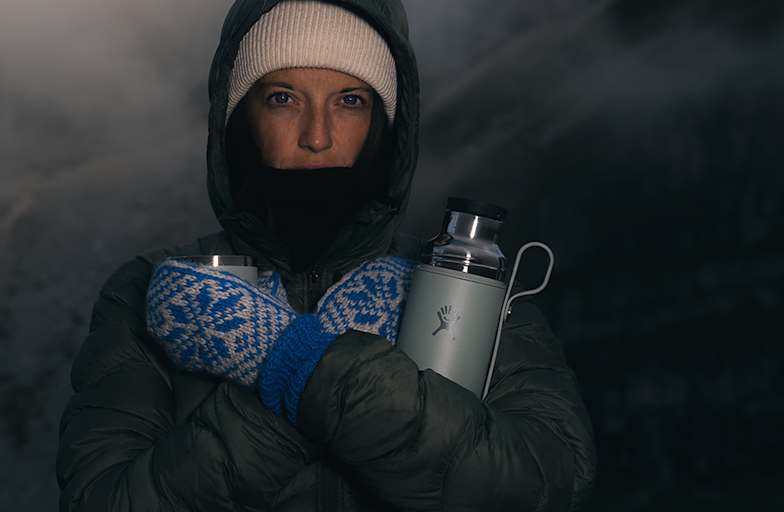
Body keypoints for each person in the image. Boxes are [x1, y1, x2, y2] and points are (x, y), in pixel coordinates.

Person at [54, 1, 598, 510]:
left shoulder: (462, 286)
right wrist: (323, 374)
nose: (317, 135)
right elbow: (105, 498)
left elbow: (545, 477)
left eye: (351, 101)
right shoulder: (150, 287)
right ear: (239, 118)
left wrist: (289, 357)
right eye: (283, 98)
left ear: (385, 126)